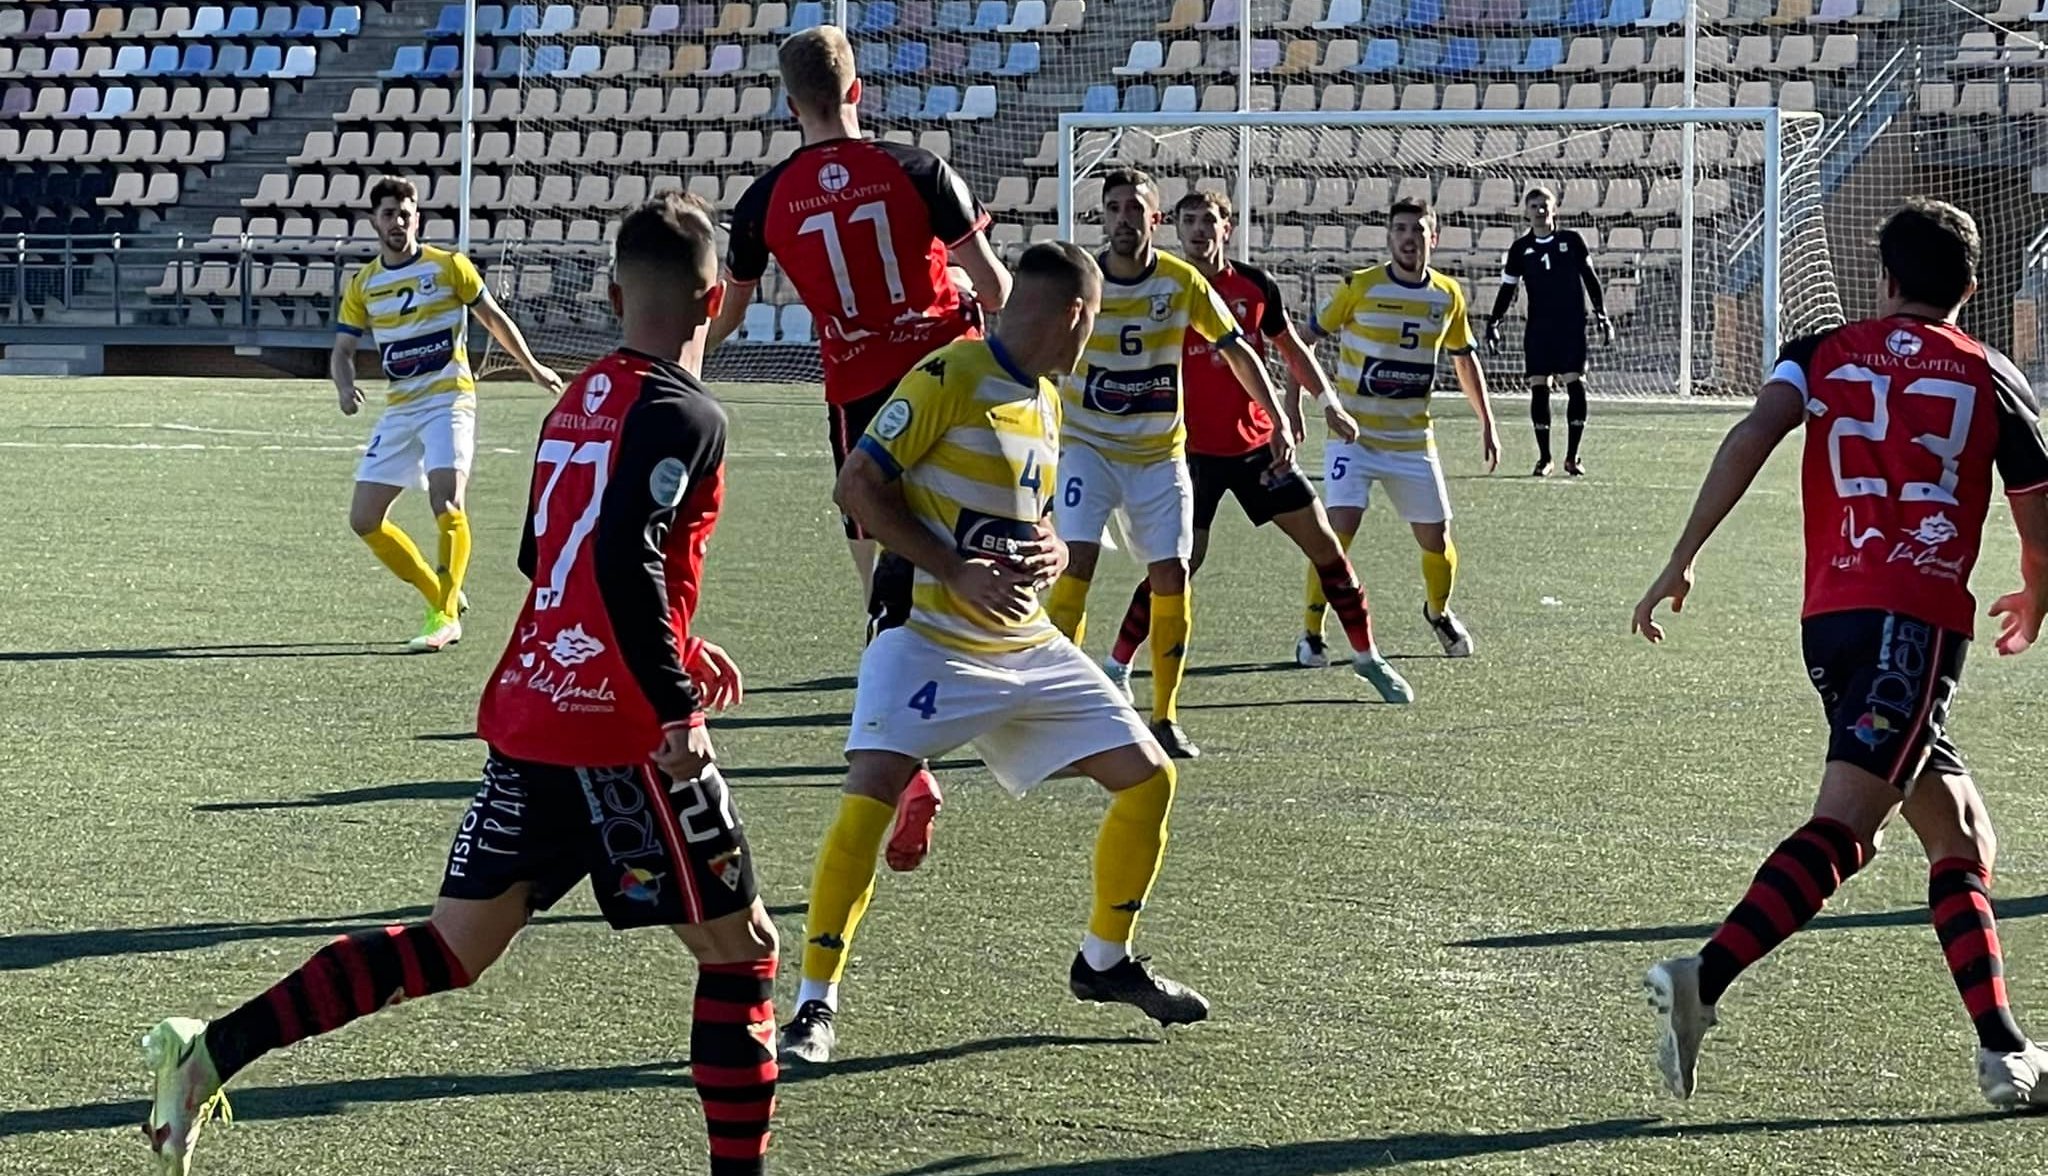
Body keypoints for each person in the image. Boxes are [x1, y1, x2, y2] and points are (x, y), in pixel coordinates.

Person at [144, 193, 779, 1175]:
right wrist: (672, 698)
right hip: (619, 732)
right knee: (739, 955)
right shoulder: (687, 412)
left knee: (452, 948)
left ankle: (210, 1051)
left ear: (611, 294)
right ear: (712, 302)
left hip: (530, 705)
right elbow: (618, 557)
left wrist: (680, 647)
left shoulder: (579, 397)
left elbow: (546, 560)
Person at [1632, 198, 2048, 1108]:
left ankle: (2006, 1050)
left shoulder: (1821, 346)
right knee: (1847, 829)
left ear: (1885, 279)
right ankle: (1704, 976)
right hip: (1919, 618)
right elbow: (2037, 507)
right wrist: (2036, 588)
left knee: (1960, 834)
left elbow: (1752, 433)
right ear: (1970, 290)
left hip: (1832, 618)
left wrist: (1682, 557)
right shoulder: (1990, 372)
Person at [777, 242, 1208, 1065]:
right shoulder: (952, 374)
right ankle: (812, 1006)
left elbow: (1024, 511)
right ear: (1078, 315)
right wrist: (951, 569)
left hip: (1022, 641)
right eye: (1093, 327)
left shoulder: (1043, 397)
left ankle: (1104, 962)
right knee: (869, 792)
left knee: (1149, 778)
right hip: (928, 635)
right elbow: (858, 487)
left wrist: (1045, 546)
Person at [708, 24, 1013, 868]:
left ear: (788, 100)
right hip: (950, 383)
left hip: (862, 405)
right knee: (992, 552)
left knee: (884, 590)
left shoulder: (765, 201)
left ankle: (906, 763)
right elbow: (996, 287)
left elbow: (727, 318)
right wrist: (953, 290)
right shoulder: (919, 169)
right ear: (858, 91)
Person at [1097, 190, 1412, 703]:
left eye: (1210, 220)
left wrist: (1327, 401)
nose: (1200, 230)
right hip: (1190, 454)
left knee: (1326, 547)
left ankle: (1367, 656)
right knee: (1177, 566)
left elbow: (1292, 349)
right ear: (1175, 228)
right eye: (1190, 220)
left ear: (1229, 226)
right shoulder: (1167, 285)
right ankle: (1116, 665)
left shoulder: (1253, 286)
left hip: (1258, 450)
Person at [1042, 170, 1296, 759]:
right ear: (1101, 217)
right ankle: (1063, 709)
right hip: (1089, 450)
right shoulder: (1081, 280)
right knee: (1074, 566)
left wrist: (1277, 417)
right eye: (1113, 208)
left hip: (1158, 457)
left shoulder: (1181, 282)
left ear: (1154, 220)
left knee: (1173, 574)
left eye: (1135, 208)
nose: (1124, 218)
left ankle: (1164, 715)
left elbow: (1237, 350)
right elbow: (1036, 351)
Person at [331, 175, 564, 651]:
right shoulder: (364, 283)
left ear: (418, 216)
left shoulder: (449, 267)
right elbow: (342, 348)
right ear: (373, 221)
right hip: (400, 409)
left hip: (448, 400)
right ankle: (440, 593)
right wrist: (344, 383)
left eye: (406, 213)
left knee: (447, 502)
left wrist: (533, 368)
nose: (398, 222)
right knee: (364, 520)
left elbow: (495, 319)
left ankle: (442, 615)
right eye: (389, 214)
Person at [1303, 198, 1500, 661]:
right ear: (1389, 237)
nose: (1408, 238)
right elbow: (1303, 342)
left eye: (1418, 229)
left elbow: (1463, 356)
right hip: (1354, 438)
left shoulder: (1447, 294)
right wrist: (1304, 406)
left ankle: (1438, 612)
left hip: (1413, 442)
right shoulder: (1360, 286)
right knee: (1337, 532)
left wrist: (1486, 421)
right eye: (1400, 230)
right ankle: (1312, 630)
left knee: (1437, 538)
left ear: (1434, 237)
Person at [1483, 185, 1613, 477]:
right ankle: (1544, 458)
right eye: (1534, 206)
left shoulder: (1572, 241)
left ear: (1555, 210)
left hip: (1570, 325)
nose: (1540, 210)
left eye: (1545, 205)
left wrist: (1602, 315)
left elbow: (1590, 280)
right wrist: (1494, 321)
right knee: (1538, 387)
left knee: (1575, 383)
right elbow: (1508, 289)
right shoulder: (1519, 249)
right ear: (1526, 213)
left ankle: (1573, 456)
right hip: (1539, 328)